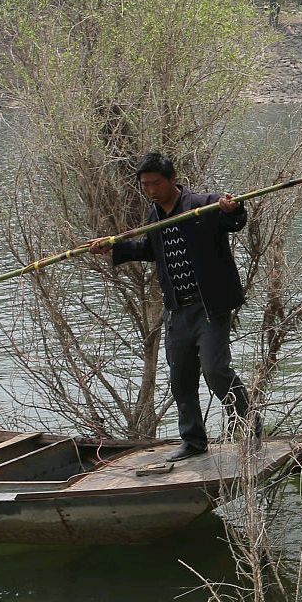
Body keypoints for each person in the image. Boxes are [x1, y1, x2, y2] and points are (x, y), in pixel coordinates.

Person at [89, 152, 255, 462]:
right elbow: (150, 250)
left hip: (209, 307)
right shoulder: (155, 217)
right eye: (145, 185)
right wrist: (114, 246)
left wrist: (233, 208)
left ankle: (248, 426)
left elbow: (234, 220)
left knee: (215, 369)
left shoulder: (202, 206)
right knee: (181, 379)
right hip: (177, 311)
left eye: (155, 183)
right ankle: (193, 441)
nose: (150, 190)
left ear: (172, 180)